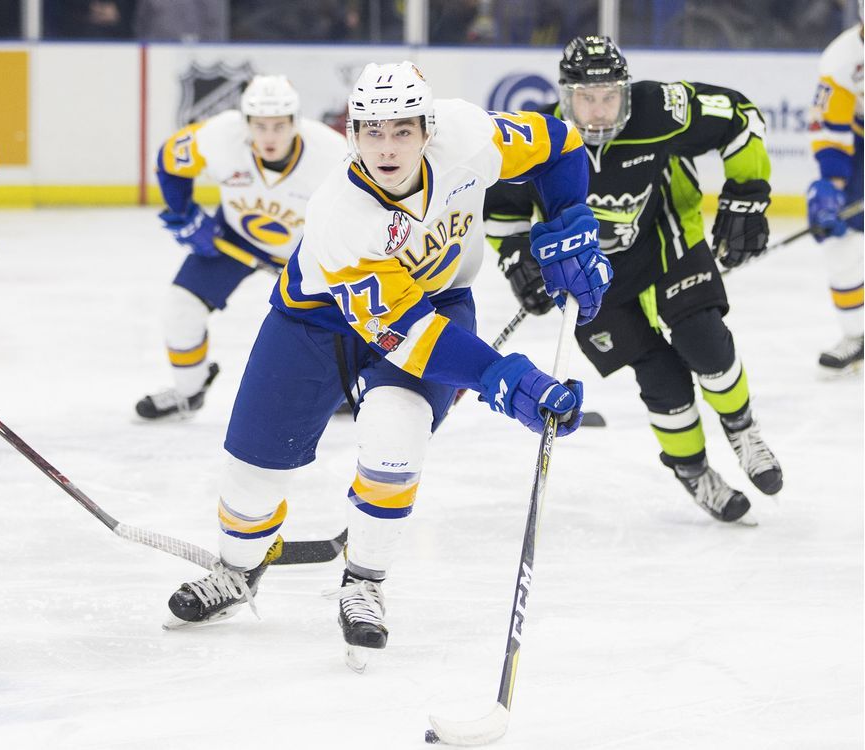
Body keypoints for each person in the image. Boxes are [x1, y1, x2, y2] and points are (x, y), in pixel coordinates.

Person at [161, 61, 612, 670]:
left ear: (428, 129)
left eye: (402, 131)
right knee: (252, 474)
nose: (387, 147)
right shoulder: (340, 215)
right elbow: (410, 338)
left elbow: (561, 147)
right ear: (352, 136)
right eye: (372, 132)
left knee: (394, 435)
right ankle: (238, 570)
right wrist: (503, 378)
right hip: (314, 324)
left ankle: (364, 582)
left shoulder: (470, 136)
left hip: (438, 300)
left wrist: (569, 223)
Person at [486, 36, 783, 524]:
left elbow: (741, 117)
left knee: (704, 342)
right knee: (660, 377)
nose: (599, 112)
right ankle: (692, 471)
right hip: (589, 277)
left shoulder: (659, 108)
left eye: (609, 97)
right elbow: (500, 210)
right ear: (565, 95)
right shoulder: (538, 137)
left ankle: (742, 429)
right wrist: (518, 258)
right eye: (586, 97)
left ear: (626, 92)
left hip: (666, 243)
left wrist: (747, 193)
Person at [135, 75, 348, 420]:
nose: (269, 137)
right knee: (181, 306)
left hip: (308, 254)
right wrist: (185, 214)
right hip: (235, 238)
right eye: (260, 126)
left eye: (279, 126)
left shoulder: (332, 153)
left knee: (336, 323)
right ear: (245, 122)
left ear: (296, 121)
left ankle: (346, 388)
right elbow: (169, 161)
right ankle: (189, 392)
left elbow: (364, 208)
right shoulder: (220, 136)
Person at [806, 19, 863, 376]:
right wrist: (831, 184)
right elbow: (831, 127)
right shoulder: (842, 59)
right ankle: (857, 336)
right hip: (859, 148)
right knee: (839, 243)